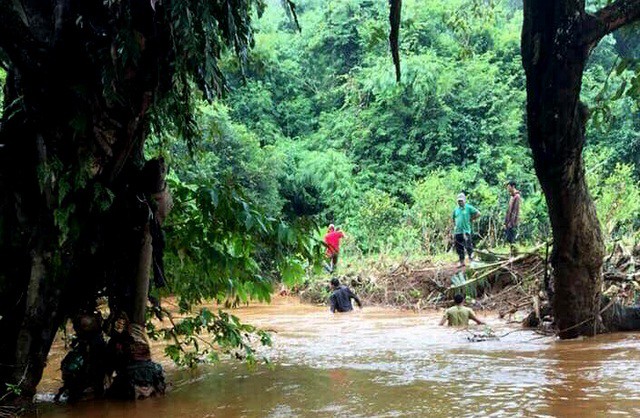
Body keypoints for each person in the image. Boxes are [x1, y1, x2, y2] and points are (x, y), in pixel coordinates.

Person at [452, 193, 480, 267]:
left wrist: (471, 219)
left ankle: (472, 261)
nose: (460, 202)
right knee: (459, 247)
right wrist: (455, 226)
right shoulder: (456, 209)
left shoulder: (468, 207)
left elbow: (478, 213)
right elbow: (453, 218)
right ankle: (462, 262)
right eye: (459, 201)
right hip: (458, 231)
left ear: (464, 200)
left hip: (466, 231)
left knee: (468, 246)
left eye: (461, 201)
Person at [504, 181, 521, 256]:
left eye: (509, 187)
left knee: (512, 239)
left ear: (513, 186)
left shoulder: (517, 196)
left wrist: (511, 223)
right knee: (509, 239)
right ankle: (511, 254)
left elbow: (515, 211)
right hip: (508, 222)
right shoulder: (511, 196)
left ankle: (514, 255)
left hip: (512, 223)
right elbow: (508, 211)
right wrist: (505, 222)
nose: (508, 188)